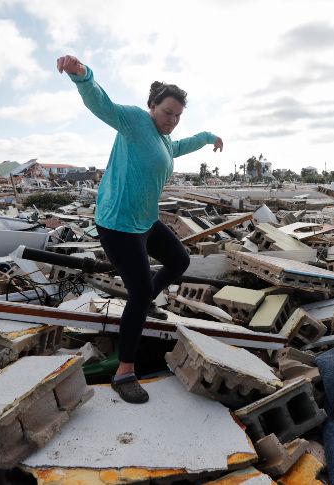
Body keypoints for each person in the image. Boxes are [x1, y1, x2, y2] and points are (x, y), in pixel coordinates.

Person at [57, 54, 223, 404]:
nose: (173, 120)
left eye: (178, 115)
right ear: (151, 107)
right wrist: (82, 75)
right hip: (117, 225)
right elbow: (102, 105)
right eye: (167, 113)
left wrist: (209, 136)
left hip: (145, 221)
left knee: (179, 261)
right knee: (139, 289)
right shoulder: (134, 121)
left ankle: (145, 301)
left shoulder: (165, 141)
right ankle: (125, 371)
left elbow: (181, 145)